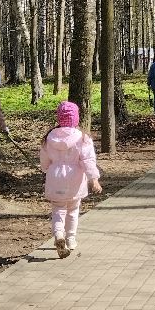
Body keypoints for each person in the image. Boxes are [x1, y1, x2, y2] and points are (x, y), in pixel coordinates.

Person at [40, 100, 102, 258]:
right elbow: (88, 160)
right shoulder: (82, 138)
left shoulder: (49, 138)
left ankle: (59, 235)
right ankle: (71, 239)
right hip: (74, 179)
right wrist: (93, 179)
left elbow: (44, 161)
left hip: (55, 177)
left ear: (59, 118)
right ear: (76, 119)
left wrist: (46, 168)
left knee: (58, 209)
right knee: (73, 209)